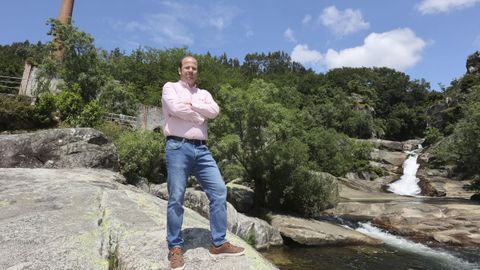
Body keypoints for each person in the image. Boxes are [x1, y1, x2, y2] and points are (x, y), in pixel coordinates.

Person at [161, 56, 245, 270]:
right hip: (177, 147)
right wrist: (198, 116)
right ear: (179, 69)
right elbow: (174, 107)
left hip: (202, 149)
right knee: (176, 197)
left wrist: (192, 104)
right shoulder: (169, 87)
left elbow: (214, 111)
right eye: (187, 67)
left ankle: (218, 243)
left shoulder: (204, 94)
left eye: (194, 68)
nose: (191, 70)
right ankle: (175, 248)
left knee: (218, 191)